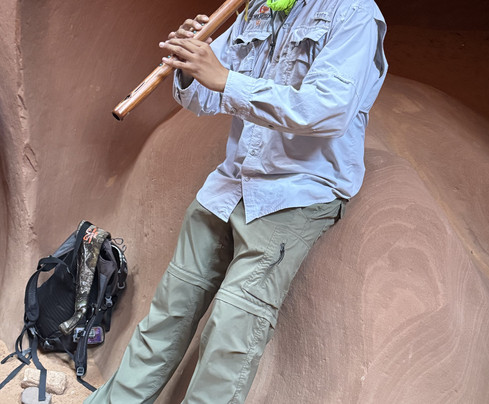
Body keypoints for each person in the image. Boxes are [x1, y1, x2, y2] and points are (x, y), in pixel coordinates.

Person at [84, 0, 387, 402]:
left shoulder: (354, 13)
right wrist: (190, 64)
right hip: (230, 185)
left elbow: (326, 110)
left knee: (231, 333)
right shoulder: (261, 7)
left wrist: (225, 78)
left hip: (294, 193)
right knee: (168, 314)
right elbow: (204, 98)